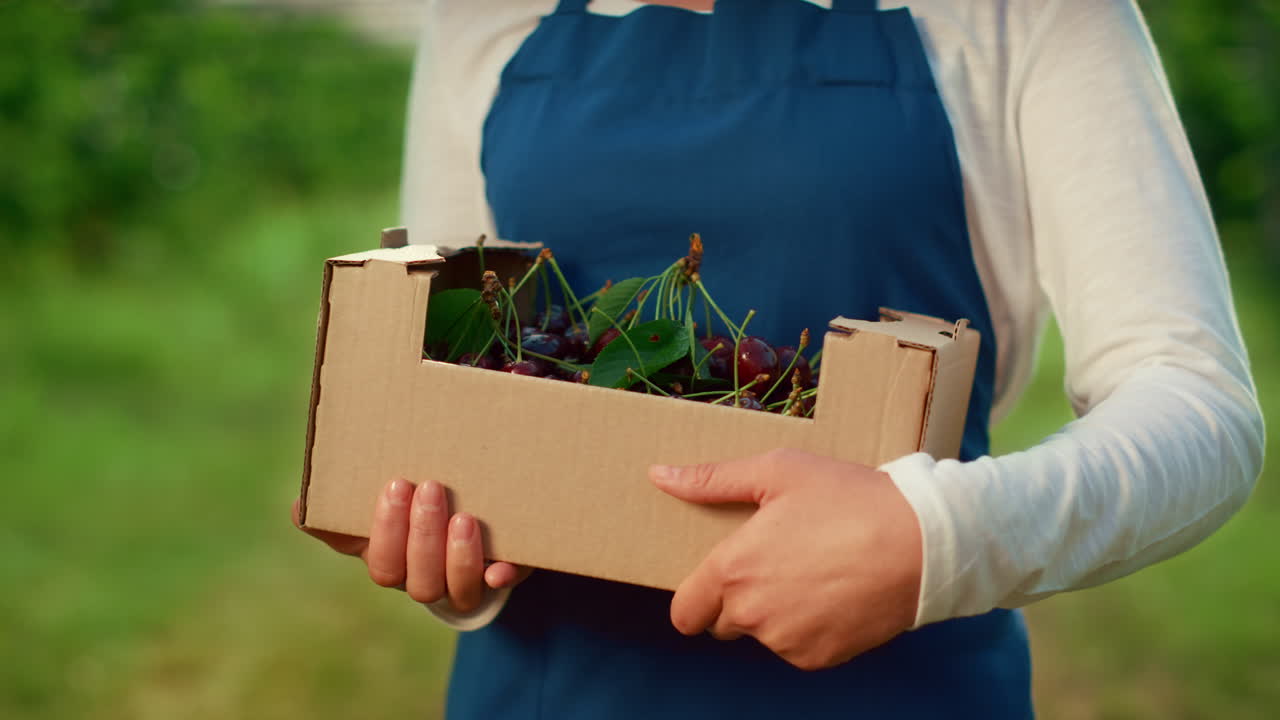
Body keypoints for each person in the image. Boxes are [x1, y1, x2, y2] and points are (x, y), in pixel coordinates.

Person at [294, 0, 1266, 716]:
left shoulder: (1027, 16)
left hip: (898, 690)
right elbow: (454, 379)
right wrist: (453, 558)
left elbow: (1194, 402)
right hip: (550, 688)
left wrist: (934, 538)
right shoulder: (487, 22)